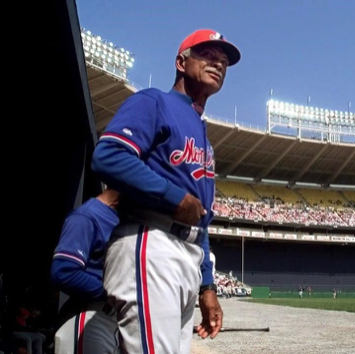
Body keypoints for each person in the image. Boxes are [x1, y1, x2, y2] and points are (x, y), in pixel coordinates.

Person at [91, 29, 240, 354]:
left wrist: (207, 285)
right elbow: (108, 155)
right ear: (180, 62)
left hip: (186, 254)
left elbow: (199, 217)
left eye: (224, 61)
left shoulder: (202, 133)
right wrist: (173, 197)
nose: (219, 64)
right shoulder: (153, 101)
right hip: (151, 242)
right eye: (208, 55)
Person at [50, 189, 120, 354]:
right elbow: (63, 272)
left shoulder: (124, 218)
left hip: (112, 319)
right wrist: (111, 293)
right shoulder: (86, 216)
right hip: (88, 316)